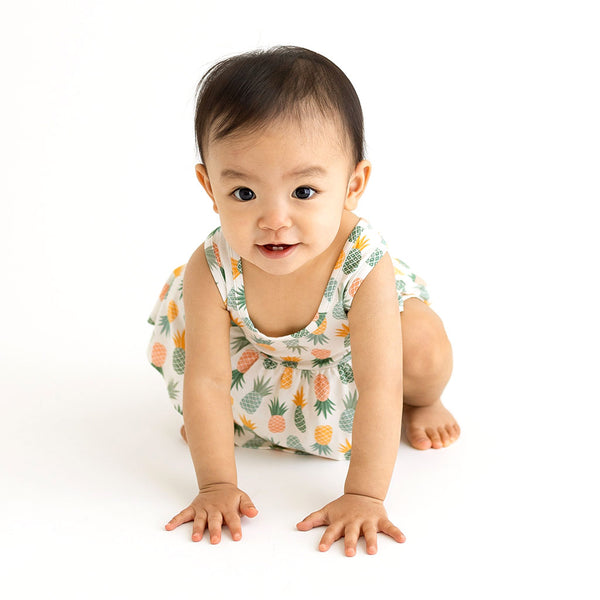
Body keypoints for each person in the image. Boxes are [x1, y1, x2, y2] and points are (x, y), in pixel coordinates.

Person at [146, 46, 460, 556]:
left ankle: (425, 400)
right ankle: (249, 422)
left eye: (305, 191)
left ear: (352, 185)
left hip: (351, 358)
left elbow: (379, 385)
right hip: (264, 358)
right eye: (244, 194)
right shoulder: (212, 266)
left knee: (420, 348)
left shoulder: (364, 264)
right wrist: (216, 483)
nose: (274, 218)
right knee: (205, 406)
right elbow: (205, 379)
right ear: (210, 187)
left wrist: (363, 494)